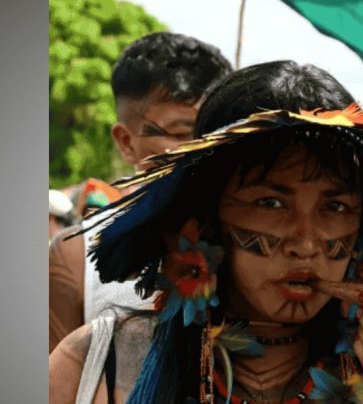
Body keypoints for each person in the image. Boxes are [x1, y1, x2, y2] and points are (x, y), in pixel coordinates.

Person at [49, 60, 363, 404]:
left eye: (335, 206)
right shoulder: (101, 360)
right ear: (206, 219)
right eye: (271, 203)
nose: (306, 243)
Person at [49, 32, 233, 352]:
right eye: (181, 134)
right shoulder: (78, 260)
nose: (206, 151)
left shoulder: (261, 243)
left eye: (218, 133)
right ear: (126, 143)